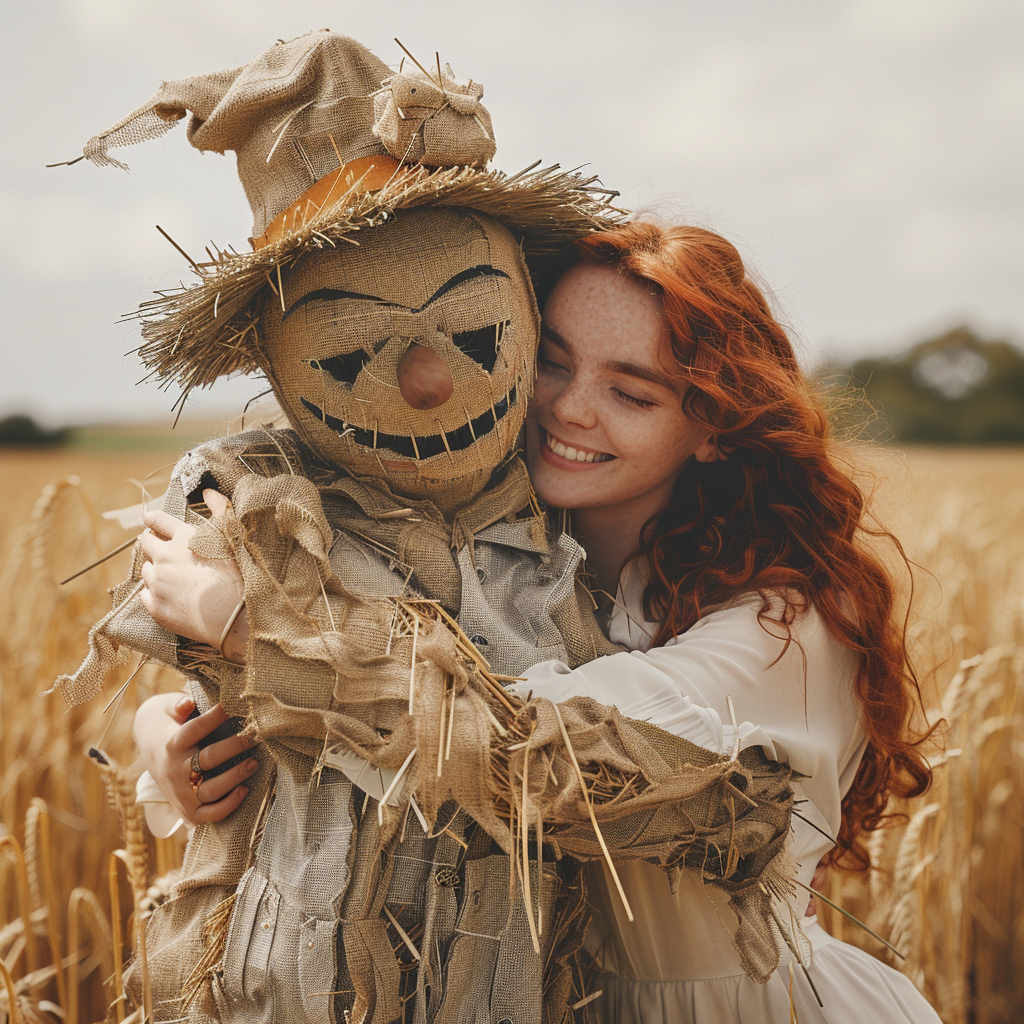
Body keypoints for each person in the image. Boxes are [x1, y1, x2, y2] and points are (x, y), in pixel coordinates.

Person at [136, 219, 943, 1023]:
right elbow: (361, 759)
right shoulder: (509, 571)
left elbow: (527, 758)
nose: (567, 409)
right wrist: (176, 743)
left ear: (713, 430)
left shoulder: (784, 622)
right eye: (548, 360)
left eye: (631, 392)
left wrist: (260, 632)